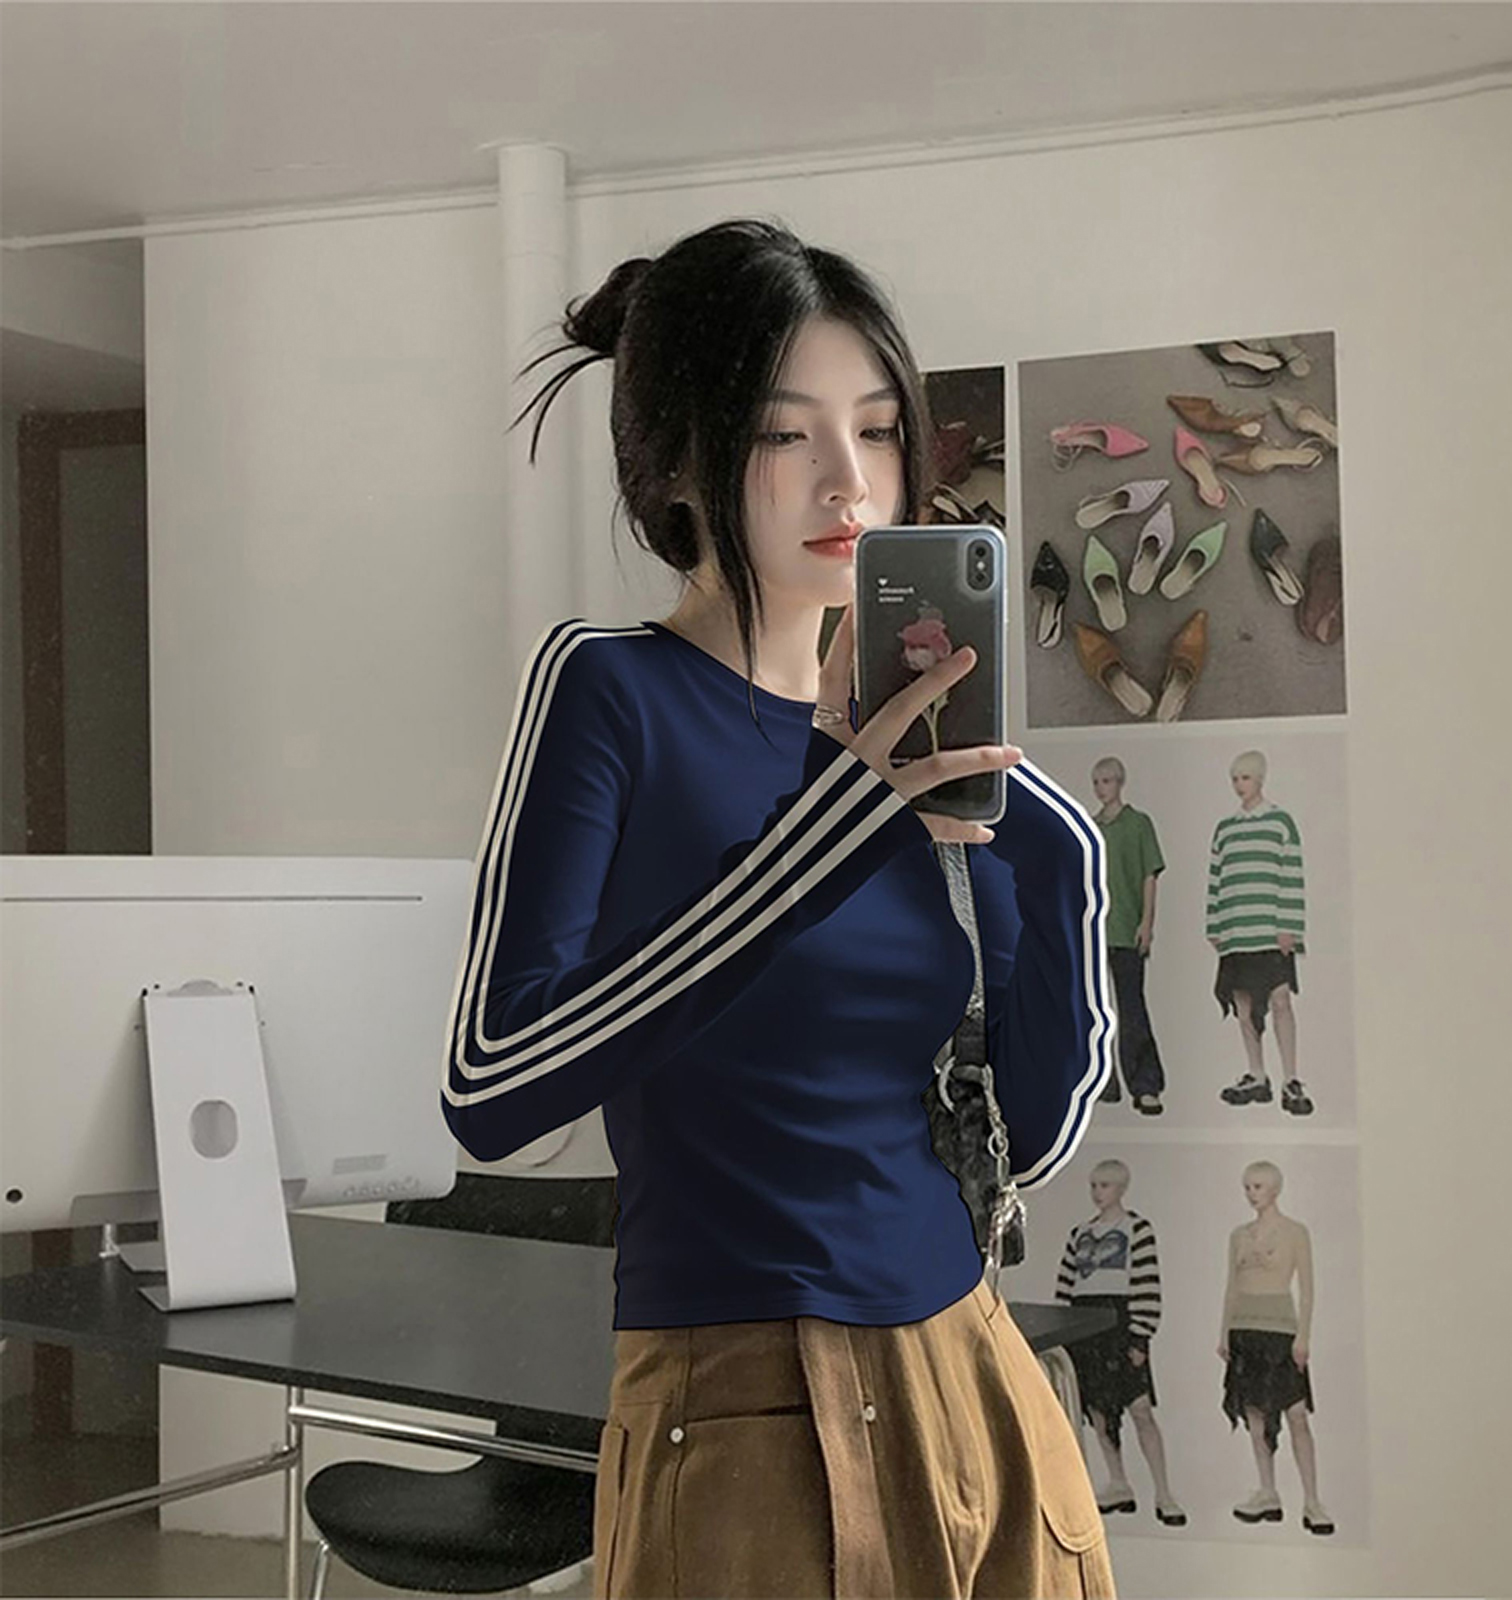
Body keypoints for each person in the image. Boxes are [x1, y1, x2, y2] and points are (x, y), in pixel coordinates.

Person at [440, 219, 1119, 1599]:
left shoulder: (911, 751)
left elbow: (1031, 1134)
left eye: (876, 432)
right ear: (676, 463)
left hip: (974, 1371)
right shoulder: (610, 690)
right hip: (743, 1399)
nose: (846, 481)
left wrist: (1057, 856)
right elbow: (491, 1088)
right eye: (780, 433)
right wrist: (823, 833)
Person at [1056, 1159, 1185, 1527]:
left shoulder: (1136, 1229)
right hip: (1085, 1325)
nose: (1098, 1193)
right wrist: (1064, 1332)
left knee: (1140, 1409)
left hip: (1120, 1323)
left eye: (1106, 1186)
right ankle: (1118, 1483)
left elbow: (1146, 1281)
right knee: (1099, 1411)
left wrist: (1140, 1335)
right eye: (1094, 1185)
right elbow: (1065, 1286)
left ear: (1121, 1188)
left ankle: (1163, 1492)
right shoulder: (1080, 1233)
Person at [1217, 1160, 1334, 1535]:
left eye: (1258, 1186)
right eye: (1247, 1187)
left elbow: (1308, 1289)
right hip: (1244, 1330)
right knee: (1255, 1416)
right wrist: (1224, 1333)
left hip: (1281, 1331)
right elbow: (1231, 1286)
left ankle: (1312, 1500)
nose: (1252, 1193)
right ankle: (1268, 1492)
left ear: (1275, 1189)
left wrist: (1304, 1336)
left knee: (1297, 1415)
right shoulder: (1238, 1235)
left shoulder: (1295, 1232)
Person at [1205, 750, 1314, 1116]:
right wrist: (1214, 925)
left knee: (1281, 1001)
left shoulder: (1281, 822)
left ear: (1260, 778)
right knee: (1243, 1005)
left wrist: (1290, 927)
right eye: (1235, 779)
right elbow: (1216, 879)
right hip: (1236, 931)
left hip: (1271, 932)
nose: (1240, 785)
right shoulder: (1225, 828)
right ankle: (1257, 1075)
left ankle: (1291, 1079)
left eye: (1246, 778)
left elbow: (1292, 874)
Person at [1089, 757, 1168, 1114]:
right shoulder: (1090, 828)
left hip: (1126, 930)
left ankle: (1145, 1084)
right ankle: (1104, 1080)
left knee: (1131, 1007)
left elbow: (1149, 876)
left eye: (1106, 781)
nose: (1101, 788)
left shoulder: (1138, 824)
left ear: (1120, 782)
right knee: (1096, 1010)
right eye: (1096, 782)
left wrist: (1147, 922)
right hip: (1093, 933)